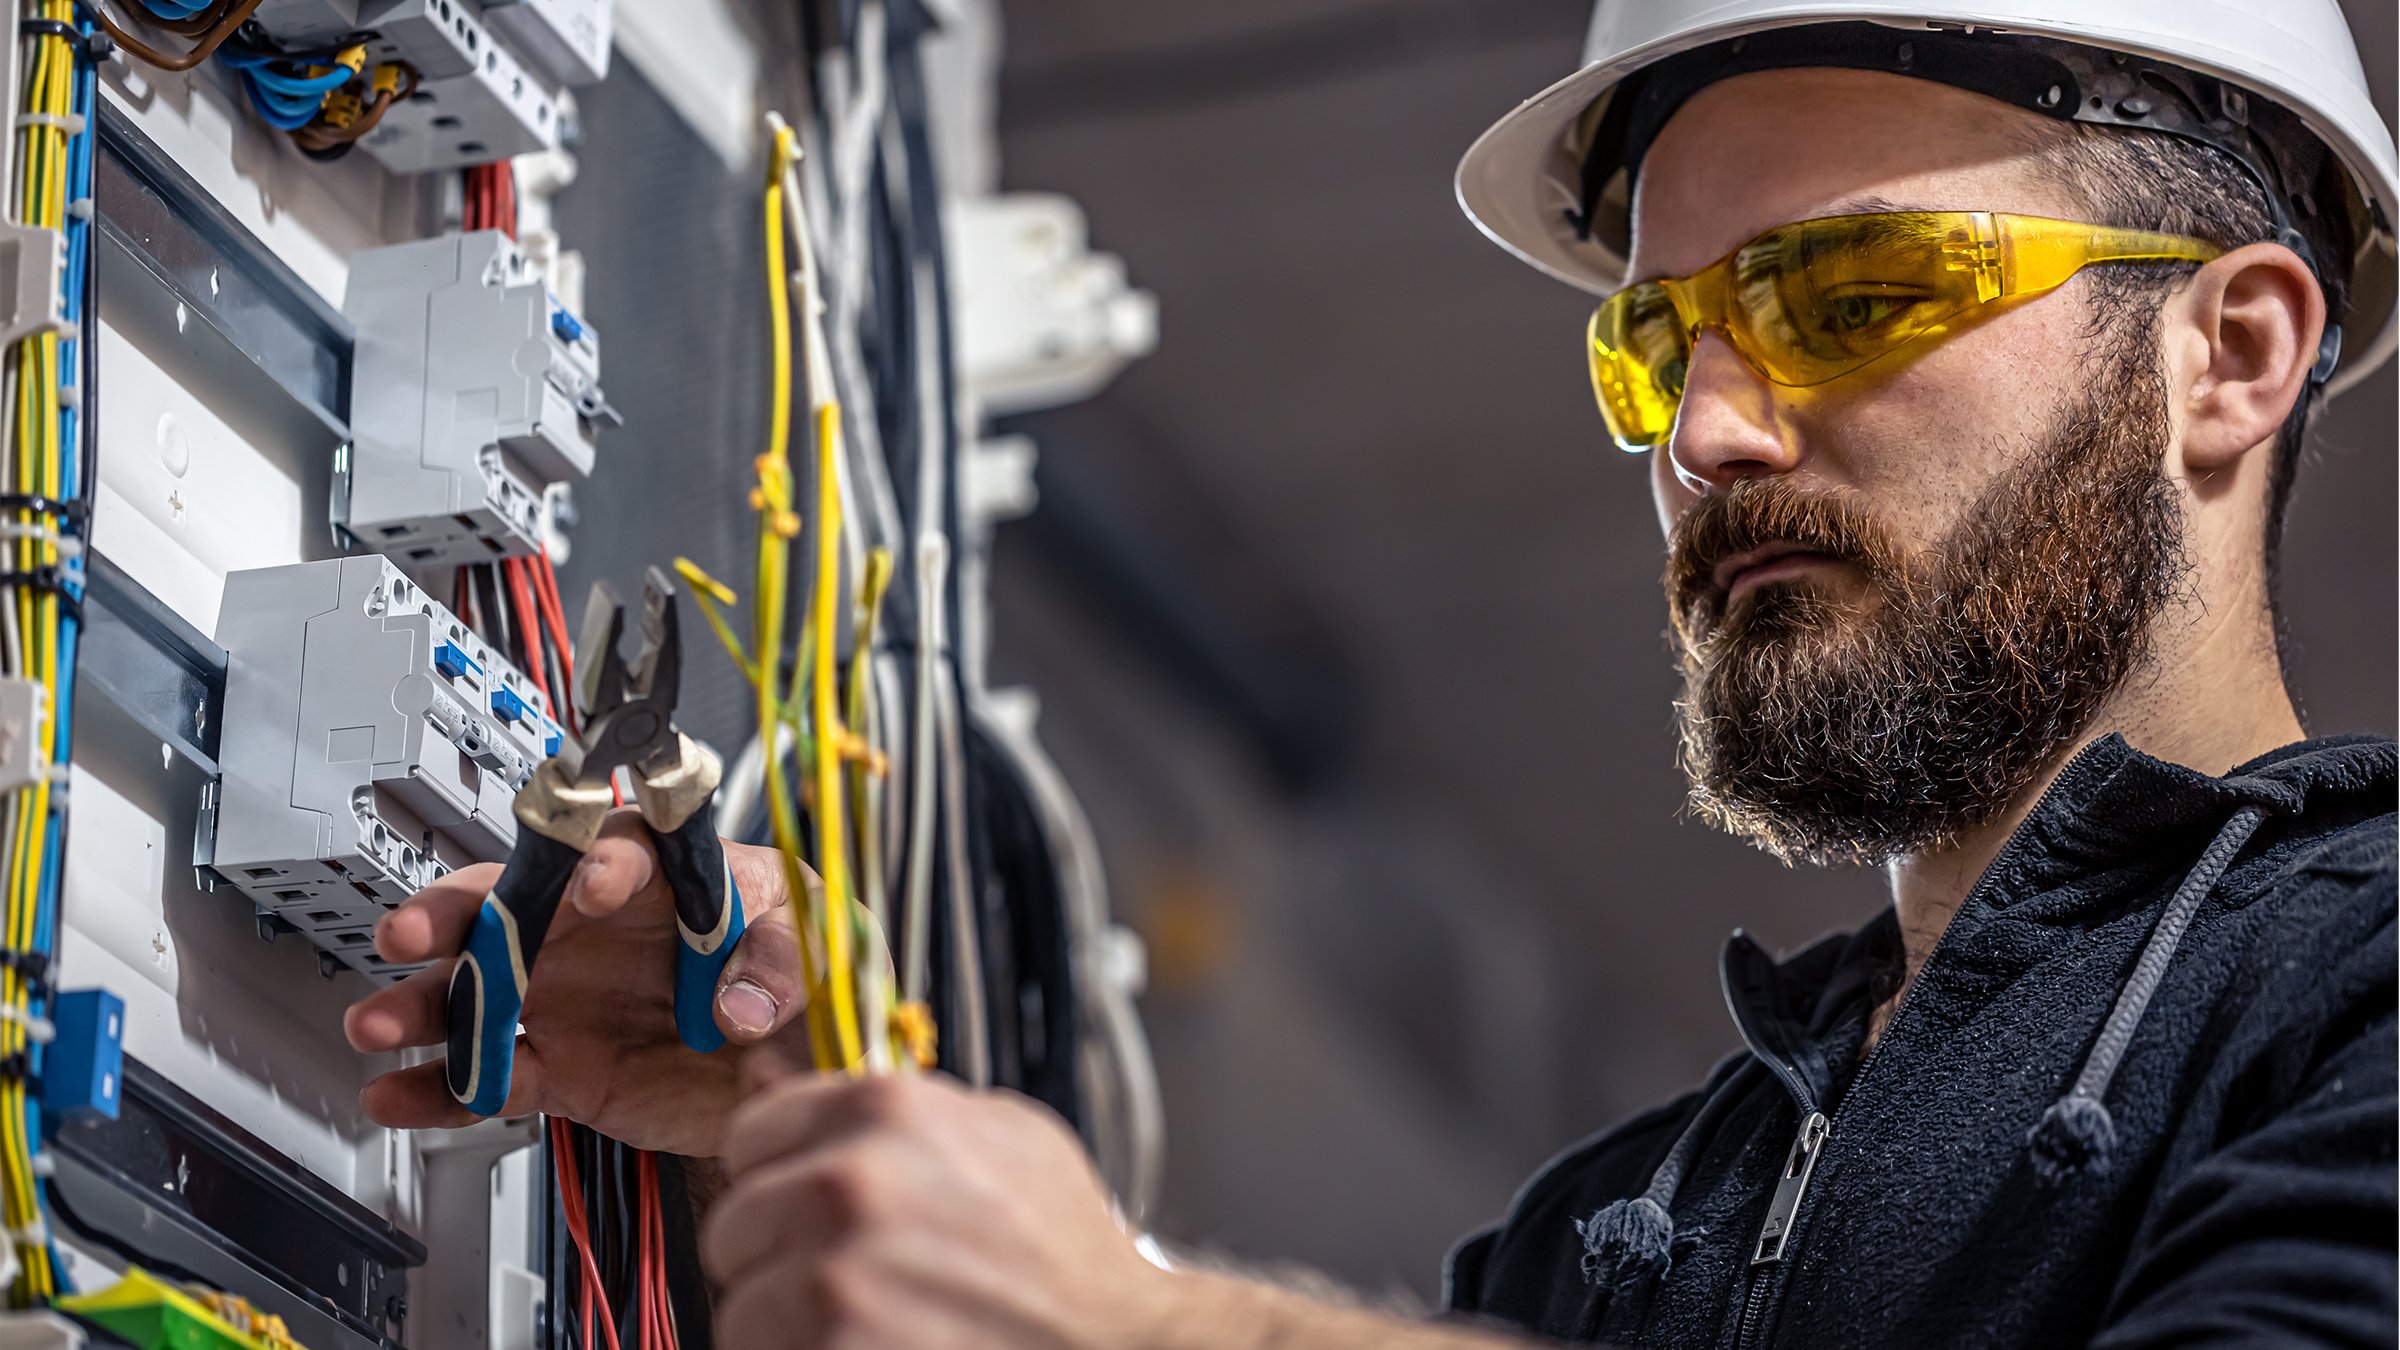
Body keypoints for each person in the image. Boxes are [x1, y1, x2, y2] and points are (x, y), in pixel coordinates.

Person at [341, 2, 2399, 1345]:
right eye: (1655, 342)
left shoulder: (2353, 998)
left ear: (2231, 354)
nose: (1707, 433)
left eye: (1848, 292)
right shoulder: (1618, 1235)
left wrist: (1144, 1331)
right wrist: (803, 1170)